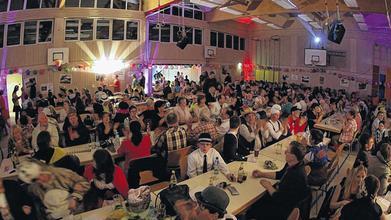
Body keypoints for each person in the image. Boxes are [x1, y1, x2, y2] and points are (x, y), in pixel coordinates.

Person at [249, 141, 310, 220]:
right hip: (284, 202)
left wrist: (268, 186)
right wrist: (262, 174)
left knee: (253, 208)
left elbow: (278, 197)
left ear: (293, 156)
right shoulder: (294, 164)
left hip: (283, 211)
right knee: (259, 201)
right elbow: (280, 174)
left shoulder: (296, 175)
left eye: (287, 151)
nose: (284, 152)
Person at [17, 159, 90, 214]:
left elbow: (84, 183)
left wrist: (75, 198)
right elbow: (26, 196)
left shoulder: (61, 174)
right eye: (35, 180)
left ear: (42, 169)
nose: (40, 181)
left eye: (40, 176)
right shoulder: (35, 187)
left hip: (77, 213)